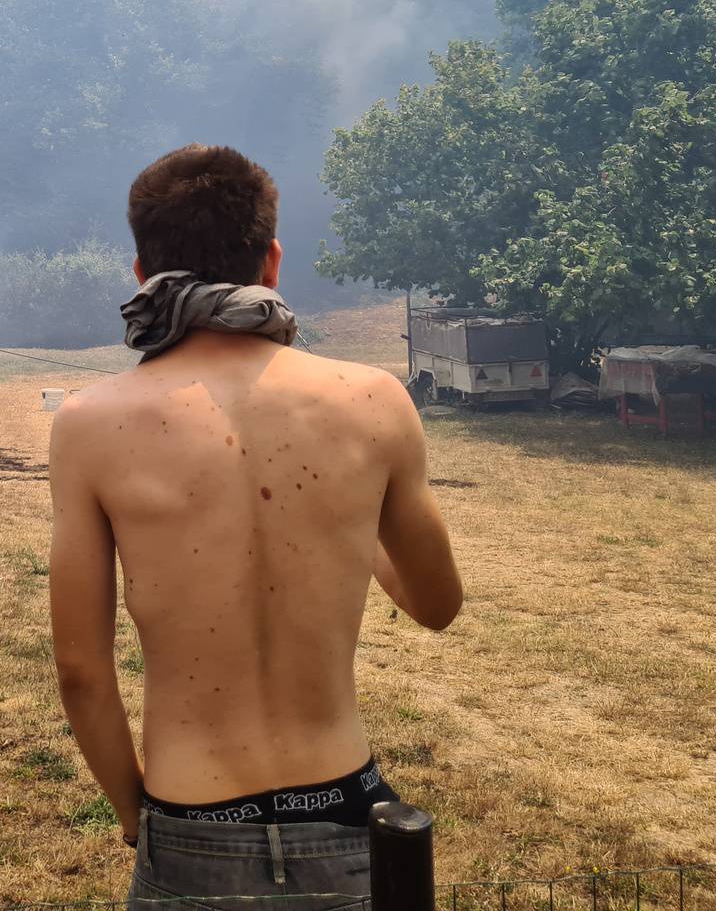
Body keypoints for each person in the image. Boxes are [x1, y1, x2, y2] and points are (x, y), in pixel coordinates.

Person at [48, 144, 463, 907]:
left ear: (142, 273)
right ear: (270, 261)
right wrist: (347, 511)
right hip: (345, 810)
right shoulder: (375, 403)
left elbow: (81, 671)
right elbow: (438, 605)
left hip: (189, 816)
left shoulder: (90, 423)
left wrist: (131, 814)